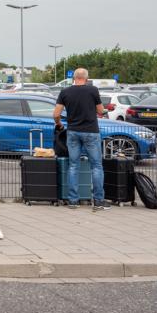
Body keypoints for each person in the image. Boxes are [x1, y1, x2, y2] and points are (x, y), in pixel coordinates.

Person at [54, 67, 108, 211]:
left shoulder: (64, 92)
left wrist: (59, 124)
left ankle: (73, 201)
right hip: (91, 132)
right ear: (86, 78)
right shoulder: (93, 90)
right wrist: (108, 109)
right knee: (96, 166)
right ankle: (98, 201)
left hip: (73, 132)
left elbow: (56, 114)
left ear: (74, 78)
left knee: (73, 165)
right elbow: (100, 111)